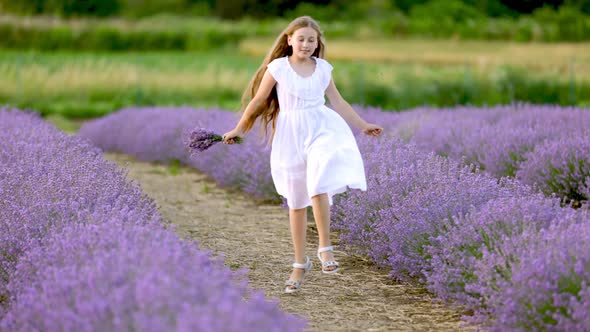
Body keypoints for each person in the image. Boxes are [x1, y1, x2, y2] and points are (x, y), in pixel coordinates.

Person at [222, 16, 382, 293]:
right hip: (290, 135)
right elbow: (259, 101)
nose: (306, 44)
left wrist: (362, 125)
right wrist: (239, 128)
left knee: (318, 180)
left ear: (317, 43)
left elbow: (338, 101)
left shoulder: (323, 69)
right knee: (296, 202)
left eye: (311, 40)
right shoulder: (279, 68)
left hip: (322, 127)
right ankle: (299, 262)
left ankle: (325, 247)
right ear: (289, 40)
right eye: (301, 39)